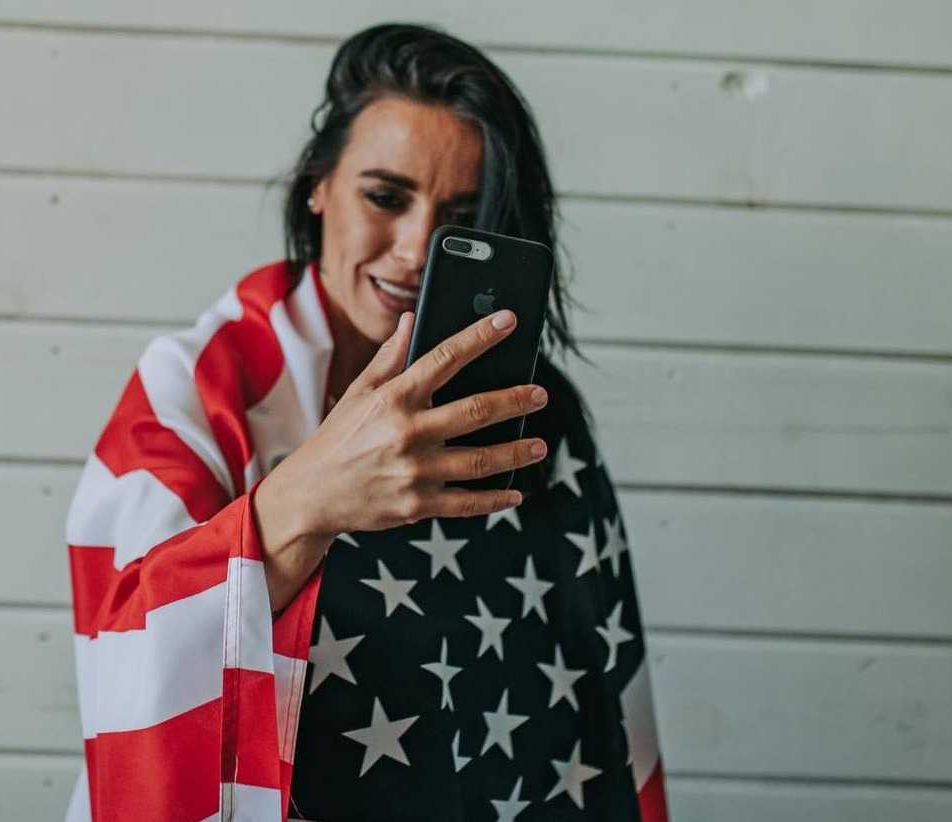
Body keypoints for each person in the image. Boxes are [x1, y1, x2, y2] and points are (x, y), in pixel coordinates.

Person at [63, 23, 668, 822]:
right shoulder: (199, 386)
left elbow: (589, 700)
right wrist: (305, 502)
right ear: (317, 186)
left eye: (462, 213)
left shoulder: (522, 408)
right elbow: (123, 646)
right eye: (385, 197)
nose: (418, 248)